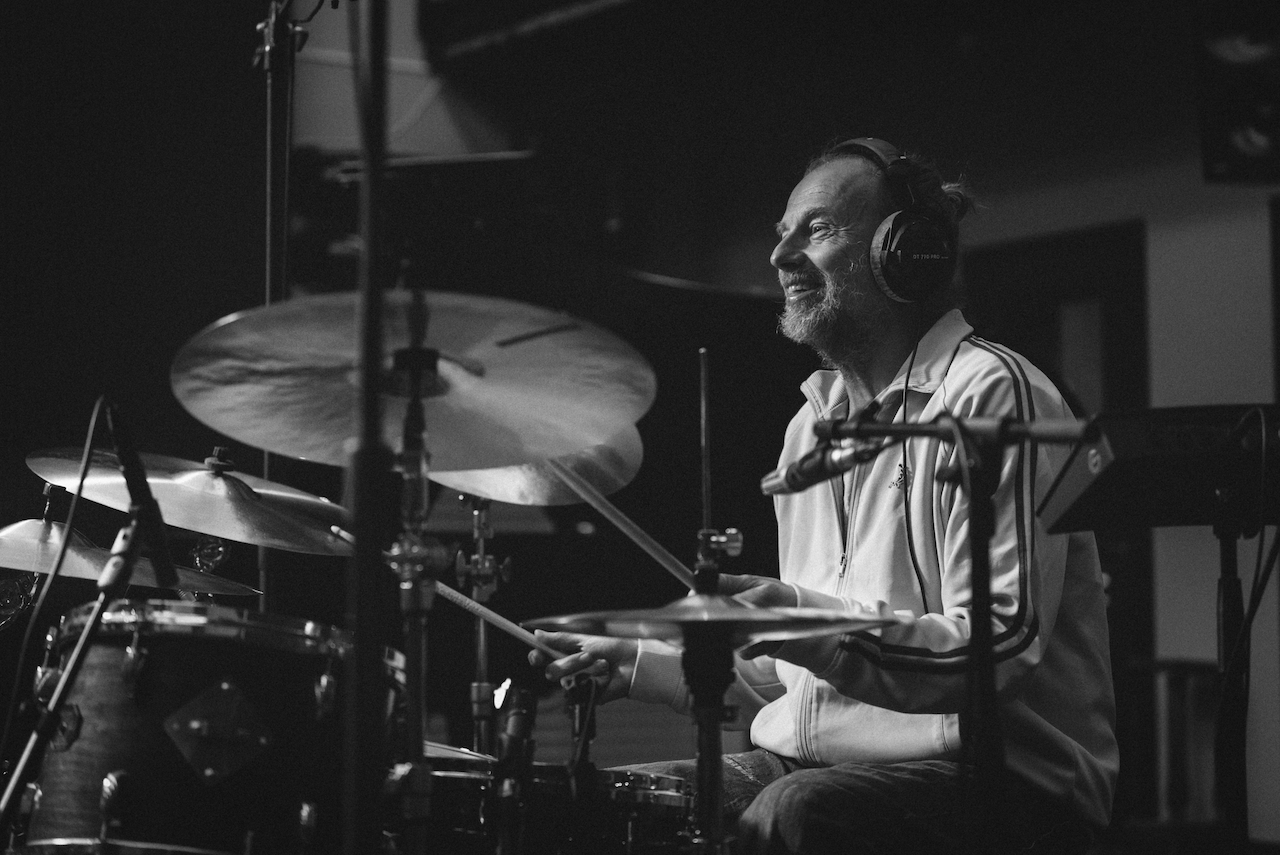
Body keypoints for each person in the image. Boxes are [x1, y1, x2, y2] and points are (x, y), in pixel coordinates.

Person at [532, 137, 1118, 854]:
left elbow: (998, 648)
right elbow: (804, 697)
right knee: (613, 808)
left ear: (905, 250)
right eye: (781, 236)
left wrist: (807, 625)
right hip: (821, 769)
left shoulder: (996, 397)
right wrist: (640, 666)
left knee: (794, 811)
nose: (779, 260)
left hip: (1006, 785)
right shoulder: (809, 431)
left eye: (815, 230)